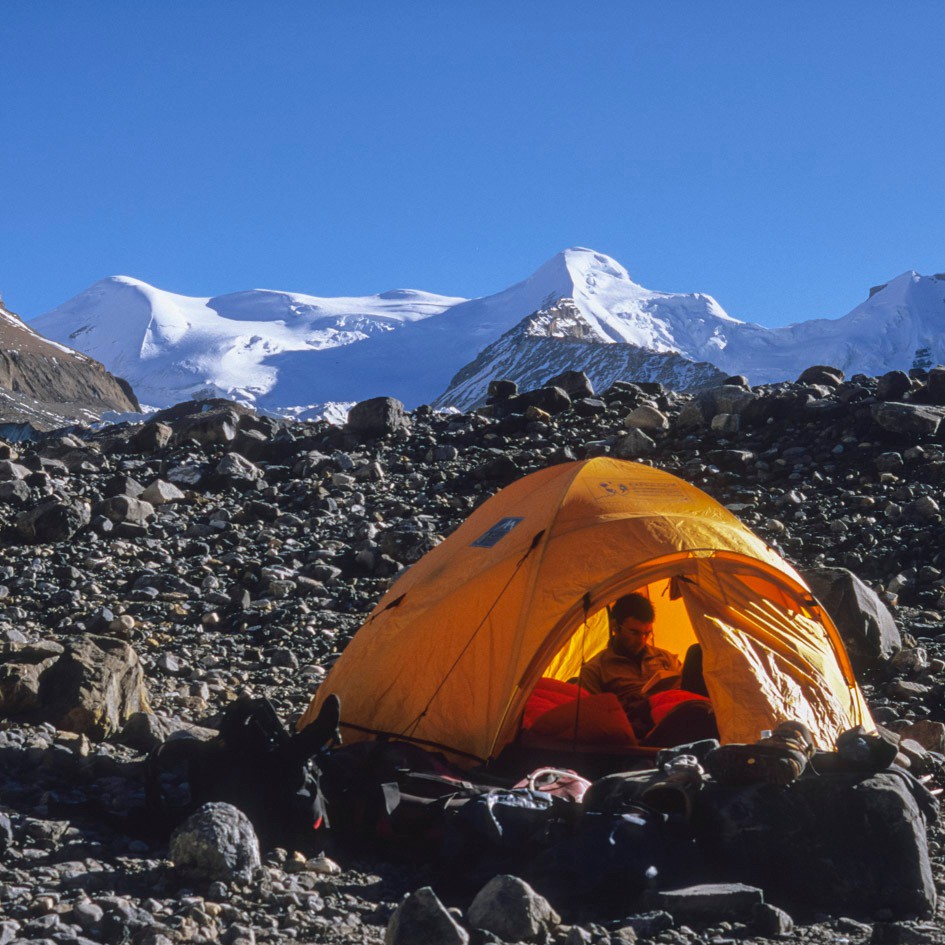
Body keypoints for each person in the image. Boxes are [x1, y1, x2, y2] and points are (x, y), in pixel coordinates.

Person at [579, 593, 682, 722]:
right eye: (635, 633)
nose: (642, 640)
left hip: (674, 716)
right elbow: (592, 718)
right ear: (615, 627)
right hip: (637, 729)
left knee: (696, 654)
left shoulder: (666, 658)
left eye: (647, 633)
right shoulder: (595, 670)